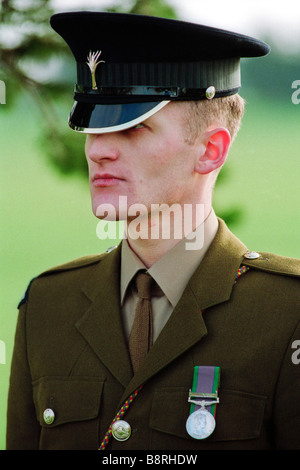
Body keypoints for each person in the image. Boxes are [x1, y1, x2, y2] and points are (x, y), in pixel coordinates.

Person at [6, 11, 300, 451]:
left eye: (132, 127)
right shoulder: (46, 306)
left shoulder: (288, 312)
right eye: (93, 125)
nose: (98, 149)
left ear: (210, 150)